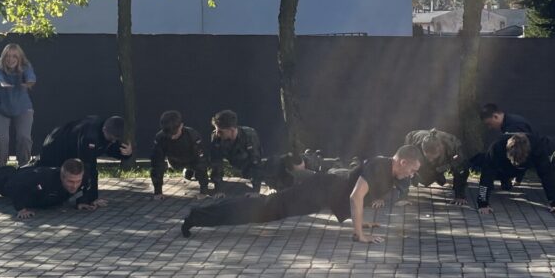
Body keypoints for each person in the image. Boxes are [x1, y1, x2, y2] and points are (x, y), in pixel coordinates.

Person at [181, 145, 423, 243]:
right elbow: (355, 196)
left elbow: (354, 193)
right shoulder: (380, 166)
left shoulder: (389, 171)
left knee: (265, 209)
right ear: (402, 162)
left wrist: (360, 221)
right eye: (412, 170)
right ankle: (197, 215)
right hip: (317, 190)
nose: (411, 175)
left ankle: (200, 215)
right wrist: (360, 234)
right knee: (263, 209)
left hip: (321, 194)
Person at [30, 115, 132, 209]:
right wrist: (87, 200)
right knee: (50, 179)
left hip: (69, 144)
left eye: (115, 139)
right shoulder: (90, 137)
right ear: (104, 130)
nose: (113, 141)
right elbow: (87, 167)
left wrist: (127, 154)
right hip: (55, 147)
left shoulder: (109, 130)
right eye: (111, 138)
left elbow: (110, 148)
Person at [477, 132, 555, 214]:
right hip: (503, 164)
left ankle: (514, 175)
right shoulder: (497, 147)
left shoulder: (538, 148)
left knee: (545, 171)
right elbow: (486, 175)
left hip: (527, 162)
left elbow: (547, 176)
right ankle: (505, 179)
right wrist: (483, 203)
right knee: (492, 171)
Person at [0, 158, 86, 220]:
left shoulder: (83, 178)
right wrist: (21, 209)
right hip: (13, 181)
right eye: (70, 182)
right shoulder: (45, 179)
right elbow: (15, 186)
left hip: (38, 195)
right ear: (62, 177)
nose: (74, 185)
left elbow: (86, 188)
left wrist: (83, 201)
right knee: (1, 181)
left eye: (78, 181)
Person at [0, 43, 37, 167]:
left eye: (14, 56)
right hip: (0, 110)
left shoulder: (26, 67)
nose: (11, 59)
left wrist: (29, 83)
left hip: (23, 108)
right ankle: (0, 169)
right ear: (3, 57)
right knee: (1, 140)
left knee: (24, 138)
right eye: (8, 56)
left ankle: (24, 167)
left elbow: (31, 77)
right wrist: (2, 83)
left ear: (20, 58)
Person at [150, 110, 210, 199]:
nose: (172, 137)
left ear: (181, 126)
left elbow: (202, 161)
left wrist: (204, 191)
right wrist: (158, 192)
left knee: (199, 168)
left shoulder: (192, 135)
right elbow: (156, 164)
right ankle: (187, 171)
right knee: (159, 163)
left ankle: (190, 172)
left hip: (192, 161)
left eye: (174, 133)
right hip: (174, 162)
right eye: (168, 134)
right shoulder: (160, 137)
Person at [403, 128, 469, 205]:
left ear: (441, 149)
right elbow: (403, 166)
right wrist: (402, 197)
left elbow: (462, 170)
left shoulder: (453, 145)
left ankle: (438, 175)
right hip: (422, 162)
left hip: (442, 163)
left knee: (459, 166)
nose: (431, 160)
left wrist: (460, 196)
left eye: (433, 157)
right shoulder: (413, 143)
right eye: (428, 157)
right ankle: (417, 178)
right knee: (412, 168)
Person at [209, 109, 264, 193]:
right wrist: (218, 190)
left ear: (231, 130)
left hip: (246, 165)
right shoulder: (216, 137)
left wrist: (255, 191)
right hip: (230, 166)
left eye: (220, 131)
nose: (217, 133)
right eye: (216, 130)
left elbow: (256, 162)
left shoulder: (249, 135)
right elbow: (216, 163)